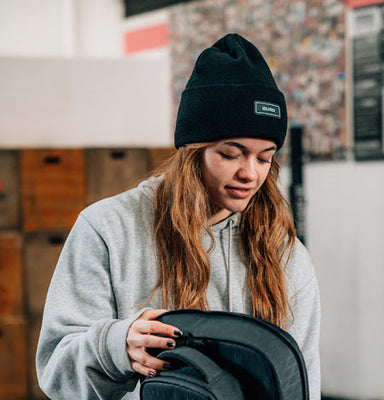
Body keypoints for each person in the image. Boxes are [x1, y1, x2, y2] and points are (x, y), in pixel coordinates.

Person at [36, 33, 320, 399]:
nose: (250, 173)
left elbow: (302, 381)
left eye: (264, 158)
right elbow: (56, 373)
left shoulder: (284, 253)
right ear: (192, 151)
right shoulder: (108, 229)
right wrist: (115, 348)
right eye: (230, 154)